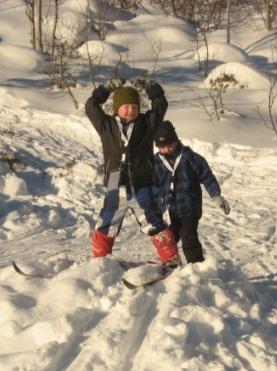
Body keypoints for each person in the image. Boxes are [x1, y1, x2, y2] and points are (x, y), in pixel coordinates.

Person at [85, 82, 180, 266]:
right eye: (126, 106)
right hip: (114, 181)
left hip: (142, 181)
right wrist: (104, 91)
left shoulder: (146, 124)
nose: (130, 110)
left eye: (134, 107)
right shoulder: (107, 125)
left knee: (152, 219)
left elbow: (160, 108)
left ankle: (170, 258)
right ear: (116, 109)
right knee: (107, 220)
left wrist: (155, 92)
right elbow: (91, 108)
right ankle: (100, 261)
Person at [153, 120, 230, 263]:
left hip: (189, 209)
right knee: (168, 241)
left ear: (176, 141)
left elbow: (207, 176)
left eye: (169, 145)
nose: (167, 150)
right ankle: (169, 264)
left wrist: (216, 195)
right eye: (162, 147)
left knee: (189, 239)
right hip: (168, 212)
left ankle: (197, 266)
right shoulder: (155, 162)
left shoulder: (191, 158)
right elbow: (152, 185)